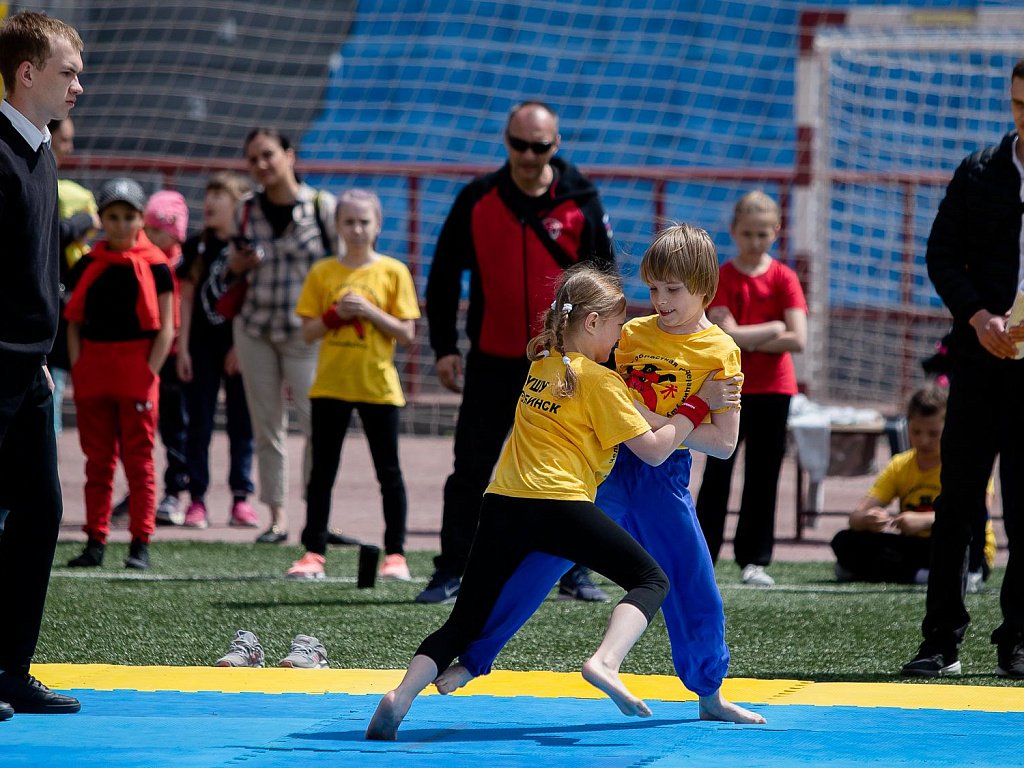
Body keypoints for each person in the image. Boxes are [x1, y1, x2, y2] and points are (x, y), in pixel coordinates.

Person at [366, 263, 732, 741]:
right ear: (594, 322)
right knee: (649, 579)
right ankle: (604, 660)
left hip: (503, 501)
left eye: (670, 290)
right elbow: (657, 449)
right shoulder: (604, 380)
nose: (621, 338)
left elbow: (713, 442)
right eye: (616, 326)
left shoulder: (541, 362)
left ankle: (403, 694)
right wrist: (695, 403)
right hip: (566, 500)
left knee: (465, 617)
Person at [426, 225, 765, 726]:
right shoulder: (628, 334)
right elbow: (596, 396)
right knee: (539, 564)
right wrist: (672, 416)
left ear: (704, 288)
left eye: (674, 290)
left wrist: (659, 424)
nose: (660, 300)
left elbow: (724, 443)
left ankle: (710, 693)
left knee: (695, 585)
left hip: (663, 479)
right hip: (605, 471)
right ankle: (474, 660)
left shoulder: (721, 352)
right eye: (653, 289)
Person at [419, 100, 615, 604]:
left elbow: (606, 282)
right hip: (492, 357)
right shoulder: (477, 199)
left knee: (575, 467)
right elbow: (442, 278)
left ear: (556, 144)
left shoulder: (582, 202)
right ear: (505, 140)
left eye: (540, 146)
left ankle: (573, 571)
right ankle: (450, 570)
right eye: (519, 144)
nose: (529, 155)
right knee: (471, 467)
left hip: (566, 365)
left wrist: (600, 355)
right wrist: (444, 346)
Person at [902, 59, 1024, 679]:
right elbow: (941, 254)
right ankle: (939, 641)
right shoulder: (979, 171)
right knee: (958, 500)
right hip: (977, 361)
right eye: (1020, 103)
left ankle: (1019, 641)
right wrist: (979, 317)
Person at [0, 10, 84, 718]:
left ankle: (10, 669)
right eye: (67, 73)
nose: (78, 86)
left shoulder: (44, 150)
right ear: (27, 74)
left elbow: (38, 268)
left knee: (41, 510)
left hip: (30, 373)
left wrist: (45, 355)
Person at [287, 189, 420, 581]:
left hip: (378, 387)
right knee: (322, 473)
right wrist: (334, 315)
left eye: (364, 221)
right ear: (337, 225)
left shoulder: (393, 271)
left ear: (378, 225)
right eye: (349, 222)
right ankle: (313, 552)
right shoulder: (324, 272)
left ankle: (396, 554)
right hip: (331, 385)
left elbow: (408, 333)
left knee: (389, 473)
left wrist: (370, 311)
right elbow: (308, 331)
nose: (357, 229)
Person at [222, 128, 337, 543]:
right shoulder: (245, 210)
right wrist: (237, 265)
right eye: (253, 159)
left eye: (269, 155)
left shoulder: (323, 207)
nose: (262, 165)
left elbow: (341, 269)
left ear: (290, 155)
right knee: (267, 425)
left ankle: (317, 517)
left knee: (316, 424)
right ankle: (277, 518)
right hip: (254, 329)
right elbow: (227, 273)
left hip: (306, 332)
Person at [696, 190, 807, 587]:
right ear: (733, 232)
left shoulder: (784, 277)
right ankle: (702, 555)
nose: (755, 241)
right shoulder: (721, 276)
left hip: (775, 389)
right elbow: (715, 334)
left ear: (776, 232)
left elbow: (798, 338)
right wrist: (769, 330)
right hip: (728, 387)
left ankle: (754, 559)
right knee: (717, 474)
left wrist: (742, 335)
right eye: (747, 233)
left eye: (763, 234)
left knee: (764, 475)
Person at [64, 178, 175, 571]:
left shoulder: (157, 265)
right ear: (102, 219)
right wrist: (79, 366)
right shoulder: (90, 264)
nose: (121, 224)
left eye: (129, 216)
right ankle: (95, 540)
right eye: (113, 216)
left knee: (139, 460)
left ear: (142, 219)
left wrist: (150, 371)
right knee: (97, 462)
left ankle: (140, 542)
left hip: (136, 369)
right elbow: (74, 320)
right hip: (95, 366)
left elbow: (166, 326)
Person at [831, 385, 996, 586]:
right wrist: (867, 519)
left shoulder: (966, 463)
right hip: (917, 548)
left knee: (958, 545)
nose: (923, 440)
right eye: (916, 431)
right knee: (844, 541)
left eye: (933, 433)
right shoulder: (900, 464)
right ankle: (924, 576)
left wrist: (926, 521)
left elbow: (977, 514)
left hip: (960, 546)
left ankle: (910, 574)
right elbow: (855, 517)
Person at [176, 172, 257, 529]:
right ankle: (197, 499)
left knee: (243, 424)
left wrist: (242, 346)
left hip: (241, 349)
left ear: (240, 204)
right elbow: (188, 299)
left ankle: (242, 498)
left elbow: (253, 299)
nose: (209, 202)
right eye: (208, 194)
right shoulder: (196, 246)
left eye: (219, 195)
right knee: (200, 424)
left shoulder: (250, 247)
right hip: (202, 349)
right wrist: (182, 349)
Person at [143, 190, 191, 525]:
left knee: (175, 428)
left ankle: (174, 492)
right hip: (143, 353)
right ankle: (139, 490)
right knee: (140, 426)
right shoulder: (142, 259)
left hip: (173, 357)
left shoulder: (185, 265)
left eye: (158, 231)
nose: (151, 236)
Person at [47, 116, 98, 436]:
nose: (70, 147)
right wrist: (84, 221)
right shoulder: (29, 170)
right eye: (65, 139)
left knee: (54, 382)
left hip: (56, 301)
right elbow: (52, 234)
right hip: (36, 305)